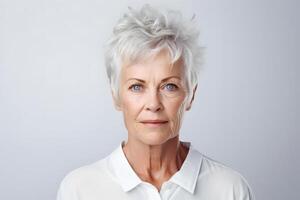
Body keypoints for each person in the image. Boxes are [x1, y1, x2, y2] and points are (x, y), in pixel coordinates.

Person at [57, 4, 254, 200]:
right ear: (116, 95)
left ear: (191, 95)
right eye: (137, 87)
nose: (153, 104)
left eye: (169, 86)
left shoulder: (230, 189)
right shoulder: (79, 190)